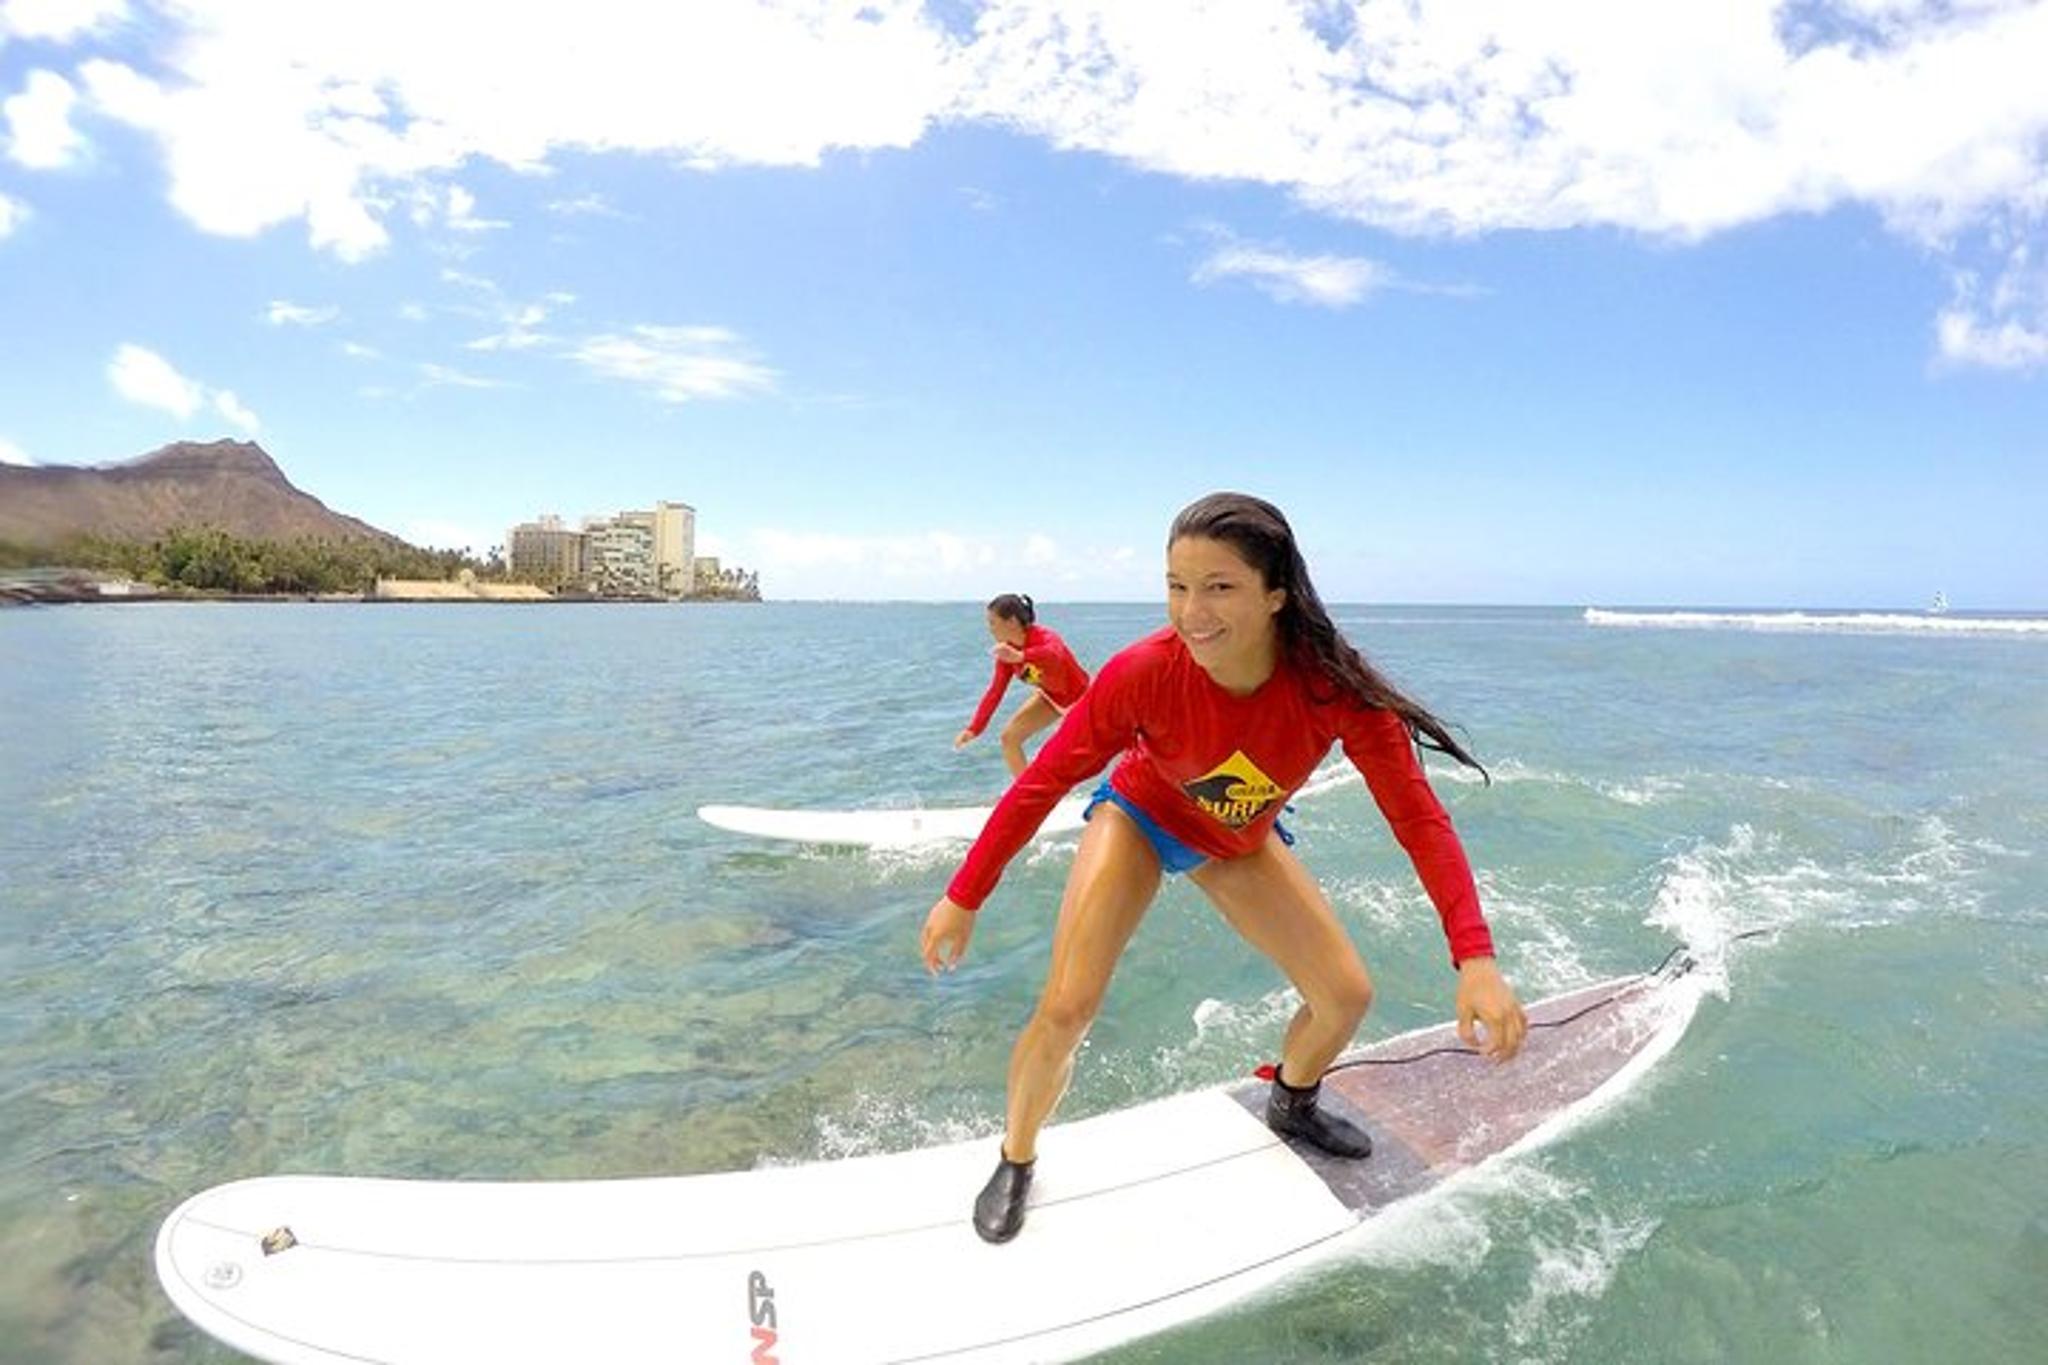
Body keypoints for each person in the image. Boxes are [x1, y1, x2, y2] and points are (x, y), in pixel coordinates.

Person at [921, 493, 1527, 1244]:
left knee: (1344, 996)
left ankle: (1293, 1099)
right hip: (1139, 818)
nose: (1191, 610)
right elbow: (1043, 779)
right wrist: (964, 893)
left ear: (1276, 595)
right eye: (1177, 585)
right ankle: (1016, 1156)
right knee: (1069, 1003)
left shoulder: (1335, 689)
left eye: (1219, 586)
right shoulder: (1142, 672)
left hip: (1235, 839)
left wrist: (1475, 956)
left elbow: (1418, 819)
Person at [953, 593, 1092, 777]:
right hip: (1051, 698)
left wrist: (1021, 656)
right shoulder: (1007, 653)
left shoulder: (1043, 636)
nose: (990, 629)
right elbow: (995, 692)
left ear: (1011, 621)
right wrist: (974, 728)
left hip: (1083, 700)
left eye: (993, 622)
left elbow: (1054, 654)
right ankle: (1027, 796)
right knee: (1009, 738)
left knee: (1078, 755)